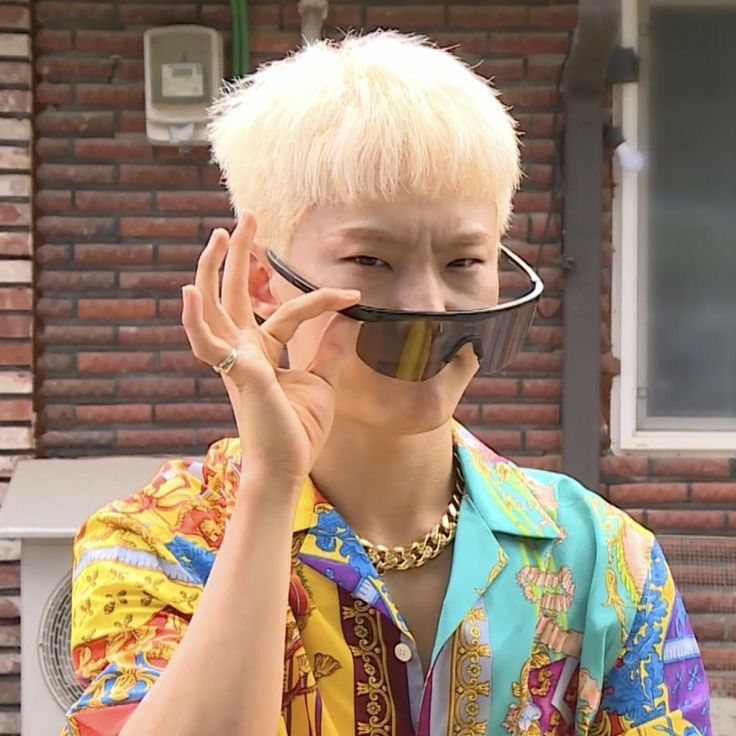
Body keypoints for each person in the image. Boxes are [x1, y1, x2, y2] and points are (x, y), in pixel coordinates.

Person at [60, 30, 710, 736]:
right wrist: (272, 484)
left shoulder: (608, 561)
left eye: (465, 262)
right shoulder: (157, 543)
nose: (429, 307)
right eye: (371, 259)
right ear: (261, 281)